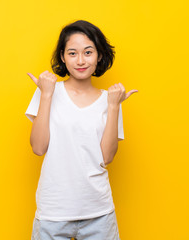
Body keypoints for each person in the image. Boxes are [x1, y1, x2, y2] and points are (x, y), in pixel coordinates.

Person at [25, 20, 138, 240]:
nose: (80, 60)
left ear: (99, 56)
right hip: (53, 212)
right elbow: (38, 148)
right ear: (62, 57)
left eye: (88, 52)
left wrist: (114, 106)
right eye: (72, 53)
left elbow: (106, 157)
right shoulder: (47, 91)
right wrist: (46, 94)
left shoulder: (110, 99)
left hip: (98, 213)